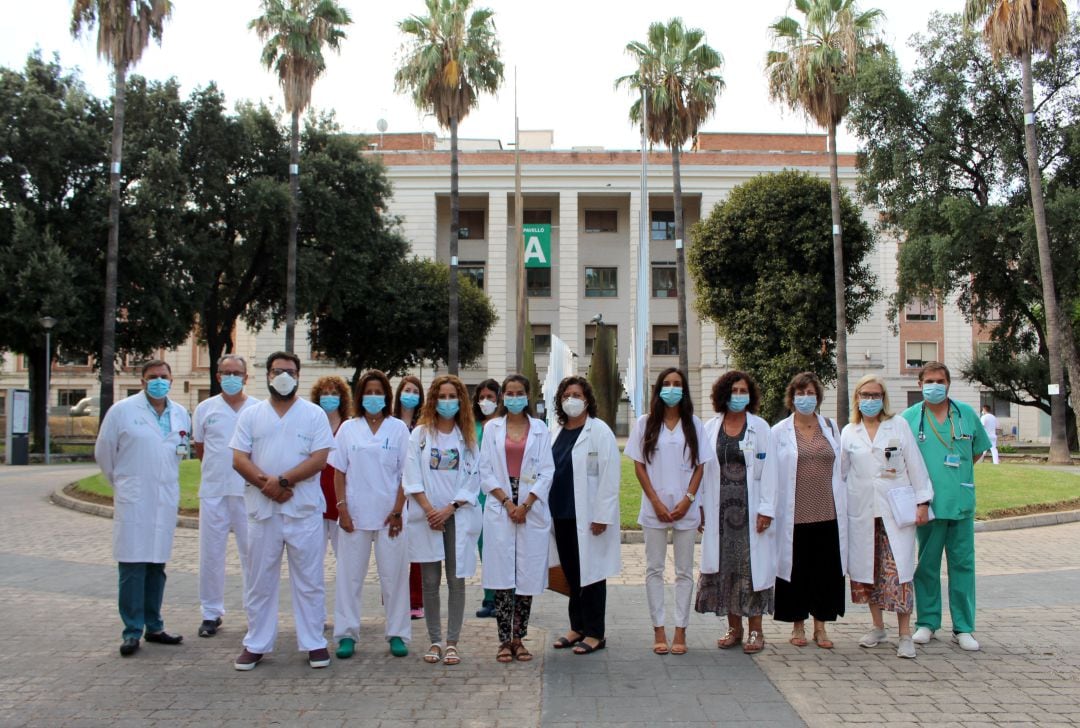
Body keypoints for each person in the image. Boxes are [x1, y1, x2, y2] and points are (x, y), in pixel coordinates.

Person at [230, 352, 335, 671]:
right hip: (264, 512)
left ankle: (314, 641)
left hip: (303, 511)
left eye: (289, 371)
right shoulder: (251, 415)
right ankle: (256, 642)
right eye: (277, 371)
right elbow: (239, 459)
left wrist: (285, 480)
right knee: (260, 580)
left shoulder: (314, 414)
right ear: (267, 375)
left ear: (299, 375)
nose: (283, 377)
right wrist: (269, 486)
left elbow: (319, 458)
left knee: (309, 580)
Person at [95, 359, 191, 657]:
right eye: (153, 377)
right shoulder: (122, 412)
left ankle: (155, 625)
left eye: (164, 377)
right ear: (142, 381)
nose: (159, 381)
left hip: (164, 498)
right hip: (135, 497)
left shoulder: (180, 414)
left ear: (171, 379)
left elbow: (180, 453)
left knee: (157, 565)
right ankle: (132, 630)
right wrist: (124, 483)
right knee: (132, 566)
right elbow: (104, 453)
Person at [901, 362, 991, 652]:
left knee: (963, 565)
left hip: (960, 503)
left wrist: (956, 477)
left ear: (949, 384)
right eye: (929, 381)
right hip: (928, 507)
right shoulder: (910, 419)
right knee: (927, 565)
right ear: (919, 384)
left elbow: (977, 451)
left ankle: (964, 627)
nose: (935, 386)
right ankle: (927, 622)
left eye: (940, 381)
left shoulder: (965, 414)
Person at [841, 375, 933, 659]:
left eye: (875, 395)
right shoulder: (849, 431)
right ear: (857, 398)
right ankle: (877, 626)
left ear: (883, 398)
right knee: (869, 572)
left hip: (895, 511)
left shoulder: (898, 425)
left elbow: (915, 465)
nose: (870, 400)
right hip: (863, 513)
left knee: (899, 573)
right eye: (865, 395)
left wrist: (923, 502)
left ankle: (905, 634)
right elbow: (842, 475)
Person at [626, 367, 714, 656]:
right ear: (658, 389)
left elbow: (702, 465)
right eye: (667, 384)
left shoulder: (694, 424)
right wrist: (655, 502)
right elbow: (638, 465)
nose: (672, 389)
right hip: (655, 510)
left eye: (677, 384)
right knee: (654, 569)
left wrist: (689, 500)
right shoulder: (645, 423)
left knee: (684, 571)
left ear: (684, 390)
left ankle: (681, 631)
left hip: (685, 510)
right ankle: (659, 629)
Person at [329, 370, 411, 659]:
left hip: (391, 517)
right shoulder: (349, 429)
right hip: (355, 515)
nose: (373, 397)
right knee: (349, 578)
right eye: (368, 392)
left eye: (378, 392)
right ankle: (347, 633)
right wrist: (342, 508)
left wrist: (399, 510)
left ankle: (398, 633)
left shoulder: (398, 428)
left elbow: (406, 474)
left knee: (394, 577)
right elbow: (339, 471)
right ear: (359, 396)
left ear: (386, 397)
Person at [403, 374, 482, 667]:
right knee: (430, 581)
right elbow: (410, 476)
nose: (447, 402)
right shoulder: (420, 435)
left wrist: (448, 508)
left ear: (460, 400)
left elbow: (474, 478)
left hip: (456, 516)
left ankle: (452, 642)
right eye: (442, 396)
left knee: (456, 578)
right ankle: (434, 640)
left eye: (453, 396)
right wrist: (428, 510)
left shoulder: (467, 437)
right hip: (427, 517)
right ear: (433, 400)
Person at [695, 371, 776, 655]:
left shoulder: (760, 427)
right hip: (720, 513)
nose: (738, 396)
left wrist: (766, 509)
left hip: (751, 510)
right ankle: (734, 627)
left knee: (751, 570)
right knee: (727, 569)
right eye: (733, 391)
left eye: (743, 391)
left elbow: (770, 472)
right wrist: (701, 507)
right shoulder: (710, 428)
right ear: (722, 395)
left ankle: (756, 630)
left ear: (750, 395)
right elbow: (702, 471)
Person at [479, 374, 555, 663]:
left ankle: (519, 638)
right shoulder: (491, 429)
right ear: (502, 397)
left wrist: (526, 504)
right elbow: (485, 471)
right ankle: (503, 641)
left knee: (526, 575)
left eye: (519, 392)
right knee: (501, 577)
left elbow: (547, 470)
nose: (514, 397)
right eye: (508, 393)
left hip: (529, 506)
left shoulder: (539, 429)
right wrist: (508, 503)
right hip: (501, 505)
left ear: (527, 395)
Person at [772, 372, 847, 649]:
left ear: (818, 397)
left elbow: (843, 467)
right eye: (800, 393)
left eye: (810, 393)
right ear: (792, 398)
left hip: (828, 511)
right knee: (797, 570)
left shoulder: (830, 427)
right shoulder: (779, 431)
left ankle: (821, 627)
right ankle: (798, 625)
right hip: (794, 513)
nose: (805, 398)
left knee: (825, 571)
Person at [547, 376, 621, 656]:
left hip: (589, 517)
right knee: (571, 573)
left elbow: (610, 475)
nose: (571, 400)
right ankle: (576, 627)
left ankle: (594, 633)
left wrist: (602, 515)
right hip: (561, 514)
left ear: (587, 399)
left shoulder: (599, 431)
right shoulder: (556, 431)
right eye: (566, 395)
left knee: (592, 574)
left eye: (576, 394)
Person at [192, 354, 259, 638]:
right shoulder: (205, 409)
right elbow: (200, 448)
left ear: (246, 377)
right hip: (214, 491)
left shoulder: (258, 409)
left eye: (237, 372)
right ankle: (211, 612)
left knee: (252, 554)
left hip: (247, 493)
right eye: (226, 372)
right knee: (211, 554)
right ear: (218, 376)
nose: (231, 377)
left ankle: (254, 611)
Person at [311, 374, 351, 630]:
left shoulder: (347, 427)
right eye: (324, 393)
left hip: (340, 503)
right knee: (312, 564)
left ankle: (345, 615)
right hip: (314, 504)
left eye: (333, 393)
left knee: (345, 563)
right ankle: (315, 615)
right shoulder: (311, 424)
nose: (329, 398)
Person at [394, 375, 426, 621]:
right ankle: (393, 599)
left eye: (415, 390)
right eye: (407, 390)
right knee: (393, 549)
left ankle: (416, 600)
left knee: (416, 549)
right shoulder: (390, 422)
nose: (411, 394)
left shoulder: (424, 425)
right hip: (392, 492)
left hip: (417, 492)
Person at [472, 379, 501, 618]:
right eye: (482, 397)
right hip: (476, 495)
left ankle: (506, 596)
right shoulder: (472, 426)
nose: (486, 402)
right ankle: (490, 597)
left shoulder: (504, 426)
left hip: (499, 494)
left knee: (501, 546)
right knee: (484, 547)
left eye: (490, 397)